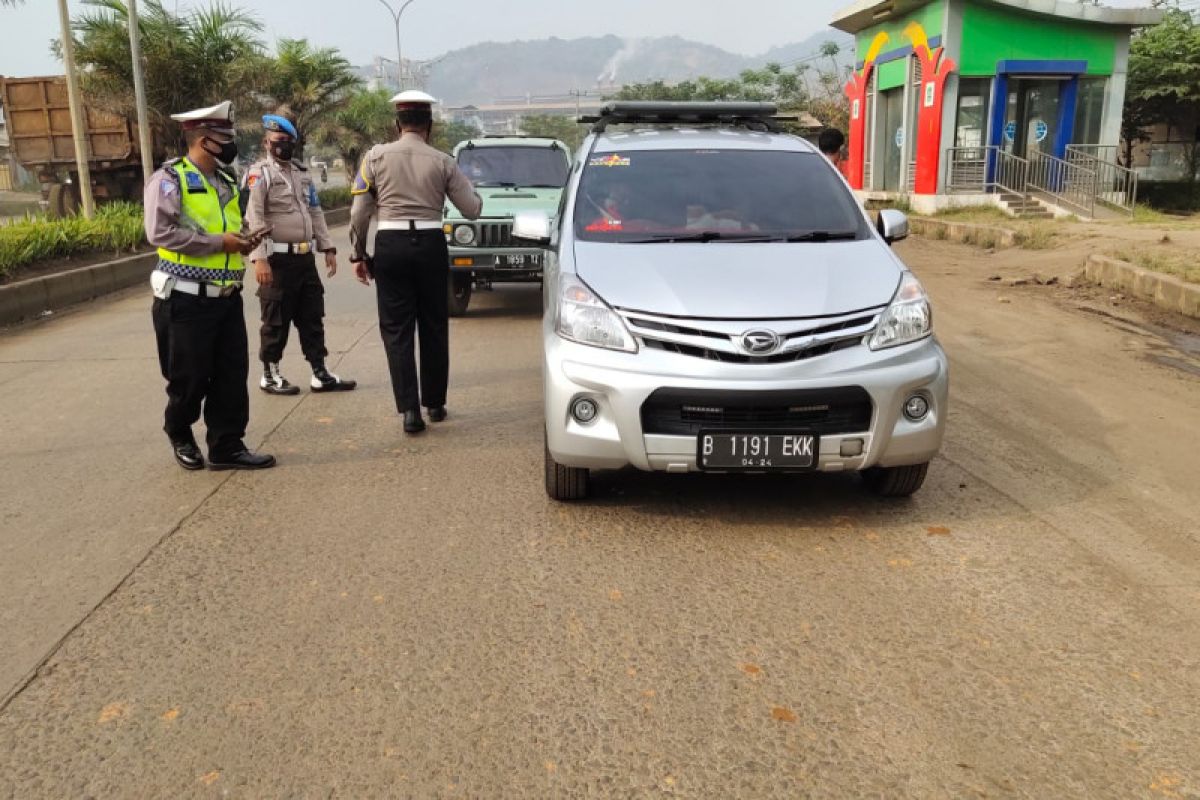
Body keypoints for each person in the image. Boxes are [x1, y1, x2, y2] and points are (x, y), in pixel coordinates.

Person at [143, 101, 275, 471]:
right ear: (204, 140)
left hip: (226, 296)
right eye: (225, 137)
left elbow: (225, 228)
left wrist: (245, 239)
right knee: (190, 378)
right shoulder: (170, 179)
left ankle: (226, 445)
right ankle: (179, 430)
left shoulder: (227, 179)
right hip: (185, 300)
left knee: (232, 376)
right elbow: (160, 233)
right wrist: (221, 242)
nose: (231, 144)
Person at [349, 90, 482, 434]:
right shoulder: (442, 161)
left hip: (390, 244)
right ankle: (435, 403)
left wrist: (358, 253)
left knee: (397, 329)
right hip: (430, 244)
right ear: (430, 125)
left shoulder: (374, 157)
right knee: (434, 325)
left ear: (397, 124)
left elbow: (360, 212)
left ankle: (410, 411)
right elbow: (472, 209)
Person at [244, 113, 356, 396]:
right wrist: (259, 258)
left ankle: (320, 372)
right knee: (275, 320)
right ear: (266, 142)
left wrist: (327, 247)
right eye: (278, 141)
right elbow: (253, 216)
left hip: (305, 259)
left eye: (288, 141)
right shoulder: (260, 174)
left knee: (311, 316)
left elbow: (315, 212)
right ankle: (270, 374)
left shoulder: (301, 173)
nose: (284, 146)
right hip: (277, 260)